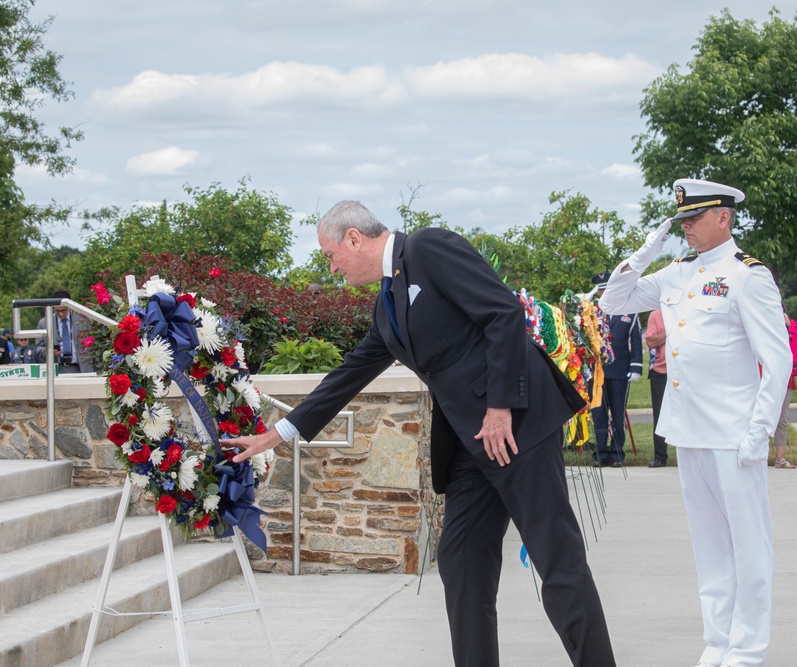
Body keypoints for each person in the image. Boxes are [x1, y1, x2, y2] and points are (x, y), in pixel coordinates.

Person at [227, 200, 615, 667]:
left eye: (330, 255)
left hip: (516, 429)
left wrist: (500, 407)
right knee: (461, 562)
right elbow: (349, 374)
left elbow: (503, 315)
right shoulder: (385, 309)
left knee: (558, 563)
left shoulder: (430, 248)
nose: (331, 267)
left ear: (354, 237)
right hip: (471, 449)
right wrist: (278, 434)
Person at [600, 179, 791, 667]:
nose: (684, 225)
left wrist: (759, 432)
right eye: (681, 218)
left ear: (723, 217)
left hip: (734, 434)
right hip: (690, 431)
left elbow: (779, 360)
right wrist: (647, 249)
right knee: (709, 548)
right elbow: (613, 301)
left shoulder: (749, 276)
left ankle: (747, 650)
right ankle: (718, 641)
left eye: (694, 217)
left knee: (748, 547)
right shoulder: (677, 272)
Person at [589, 272, 643, 467]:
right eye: (601, 290)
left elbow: (635, 340)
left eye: (607, 289)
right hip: (597, 373)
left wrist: (636, 366)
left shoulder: (628, 311)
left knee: (618, 413)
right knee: (599, 414)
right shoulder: (591, 313)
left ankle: (617, 453)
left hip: (620, 370)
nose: (604, 293)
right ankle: (601, 452)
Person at [773, 311, 797, 469]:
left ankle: (780, 458)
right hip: (757, 375)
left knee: (781, 418)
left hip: (783, 377)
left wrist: (789, 324)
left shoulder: (788, 327)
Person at [35, 290, 94, 373]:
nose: (61, 314)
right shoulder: (44, 323)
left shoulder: (82, 321)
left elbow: (93, 344)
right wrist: (49, 351)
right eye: (57, 311)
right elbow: (37, 348)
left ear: (69, 306)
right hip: (56, 369)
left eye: (64, 310)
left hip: (80, 368)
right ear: (53, 308)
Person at [644, 309, 669, 467]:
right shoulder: (656, 315)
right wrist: (672, 333)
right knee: (660, 415)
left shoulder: (686, 310)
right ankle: (660, 456)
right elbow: (651, 341)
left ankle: (689, 456)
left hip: (684, 370)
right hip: (660, 371)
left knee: (688, 414)